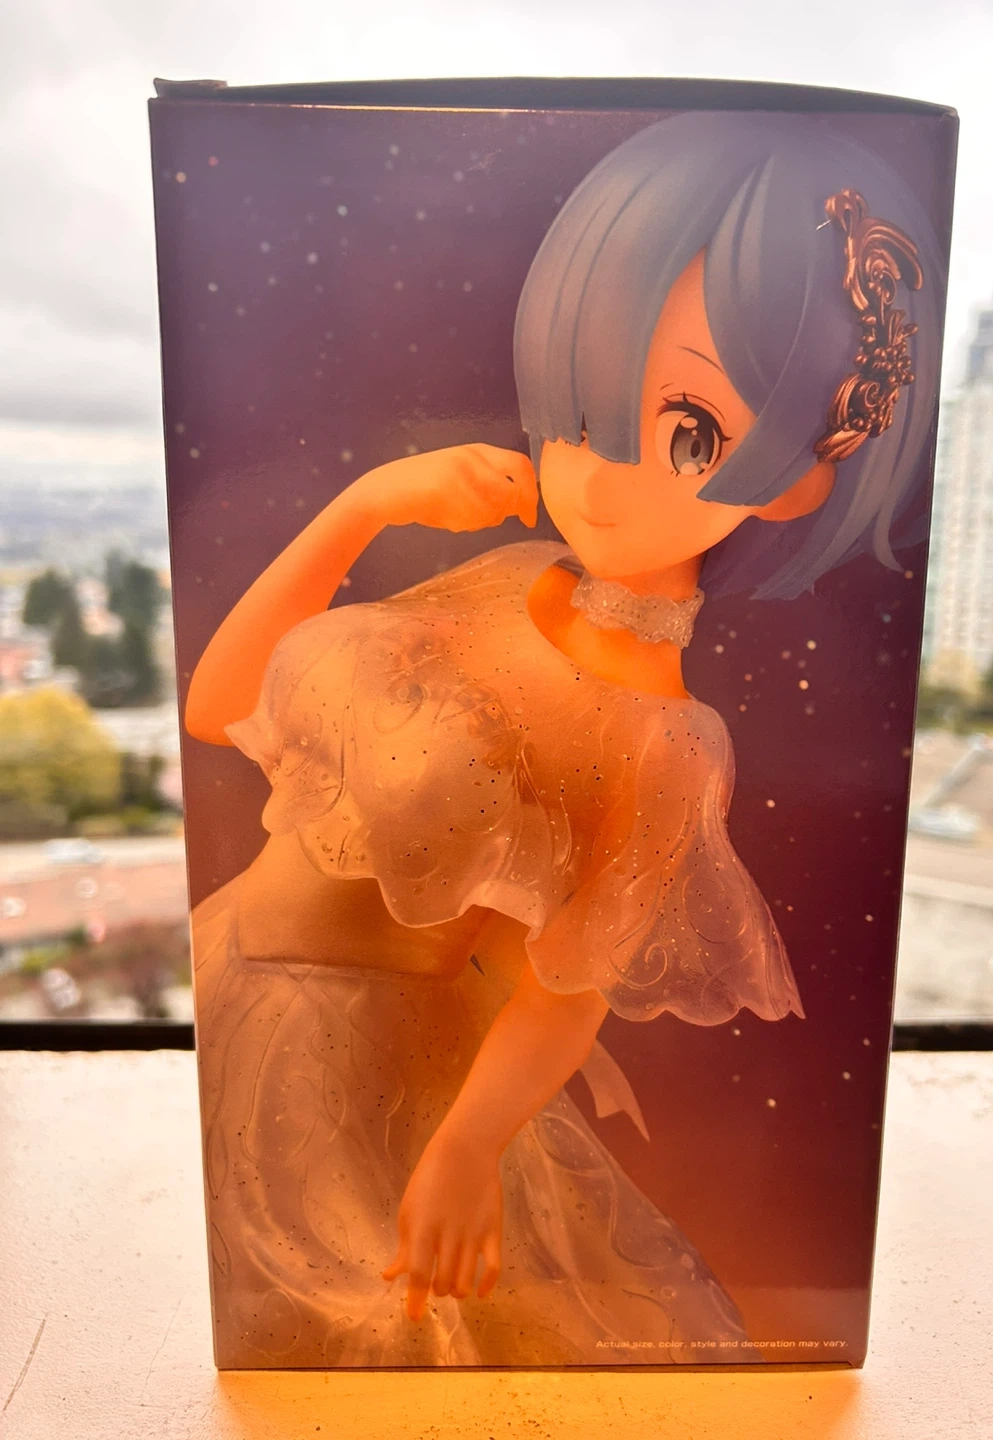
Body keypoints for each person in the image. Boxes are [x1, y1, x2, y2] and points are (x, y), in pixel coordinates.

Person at [183, 110, 943, 1366]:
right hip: (228, 980)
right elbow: (221, 706)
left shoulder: (665, 743)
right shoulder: (507, 579)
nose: (590, 472)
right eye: (579, 402)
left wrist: (470, 1146)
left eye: (688, 433)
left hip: (352, 1075)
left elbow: (567, 984)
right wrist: (363, 507)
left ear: (802, 474)